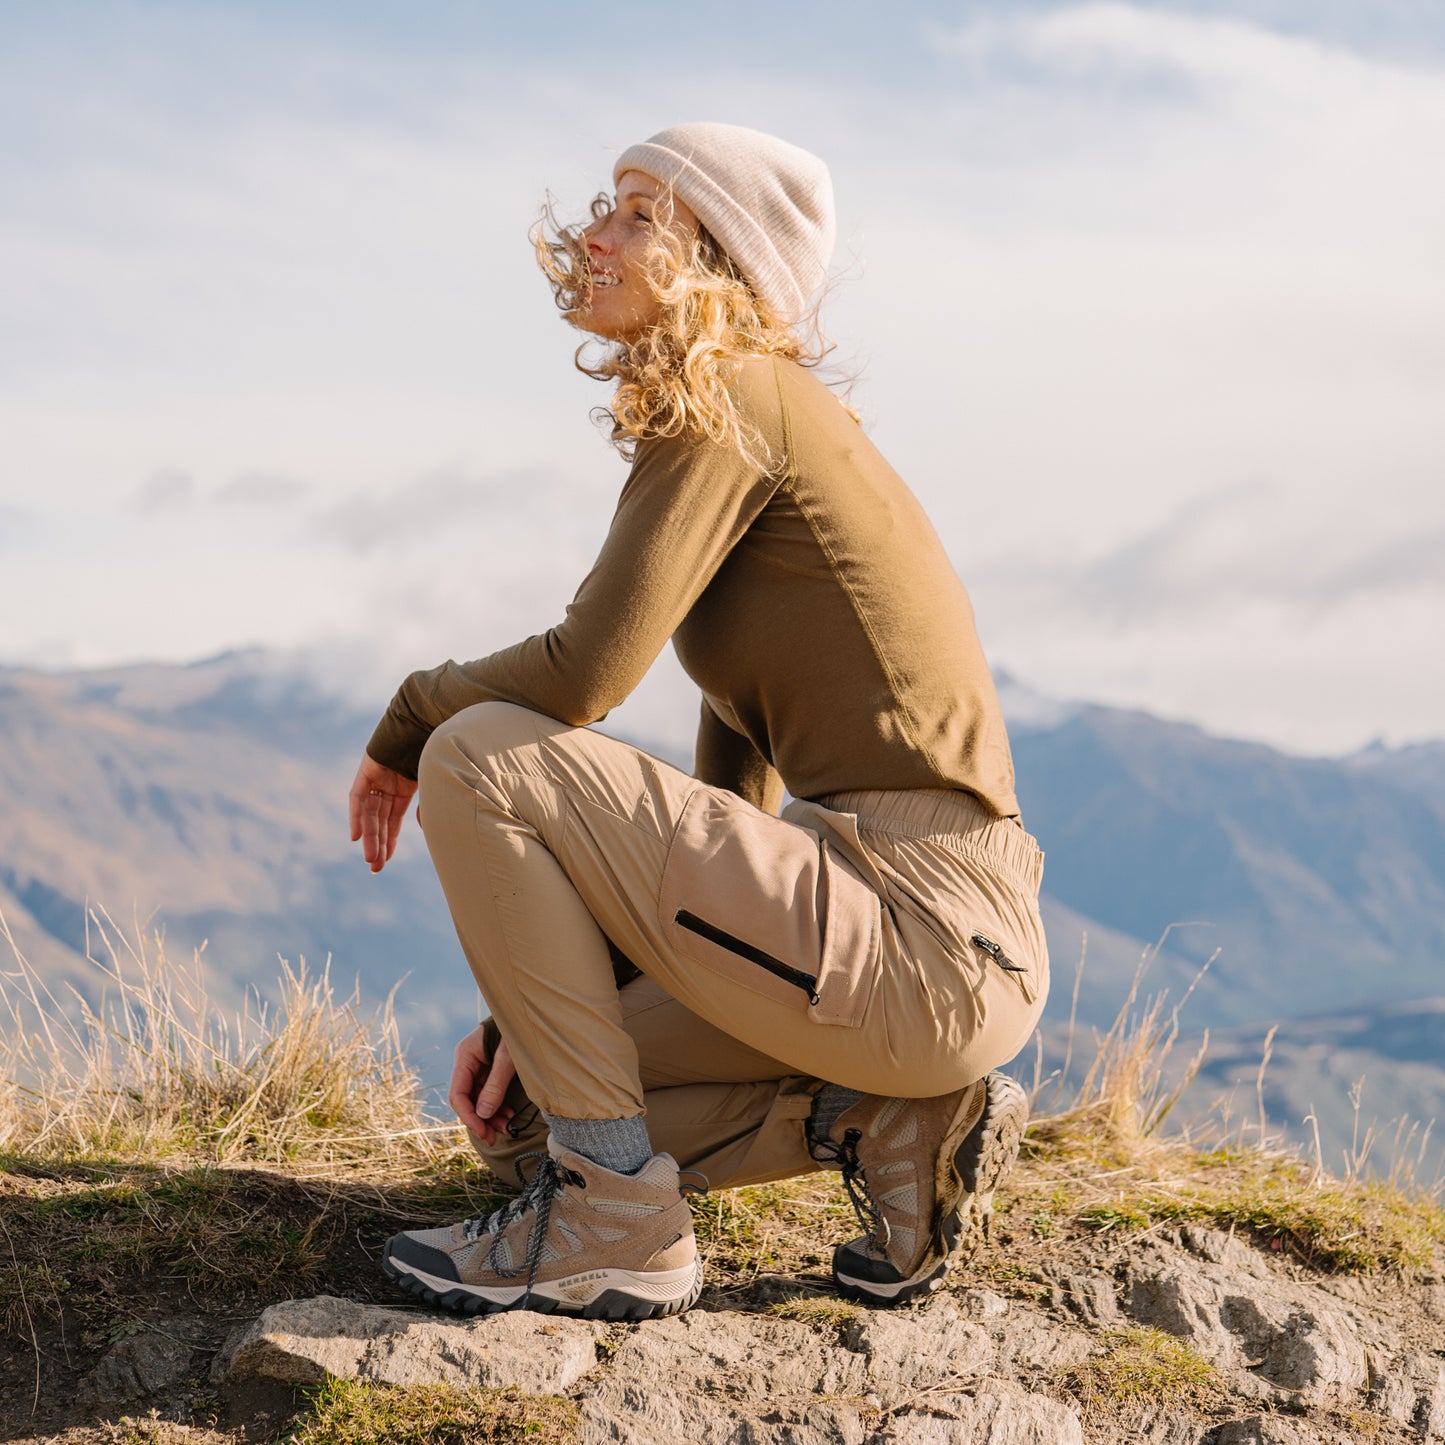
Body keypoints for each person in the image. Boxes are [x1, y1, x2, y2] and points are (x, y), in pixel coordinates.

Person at [348, 122, 1049, 1321]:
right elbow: (732, 820)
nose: (594, 233)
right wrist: (534, 1008)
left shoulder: (738, 396)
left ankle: (617, 1228)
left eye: (637, 213)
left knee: (478, 752)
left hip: (924, 926)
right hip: (885, 944)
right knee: (531, 1127)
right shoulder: (754, 420)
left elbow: (580, 675)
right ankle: (880, 1114)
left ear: (716, 257)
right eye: (601, 203)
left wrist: (411, 715)